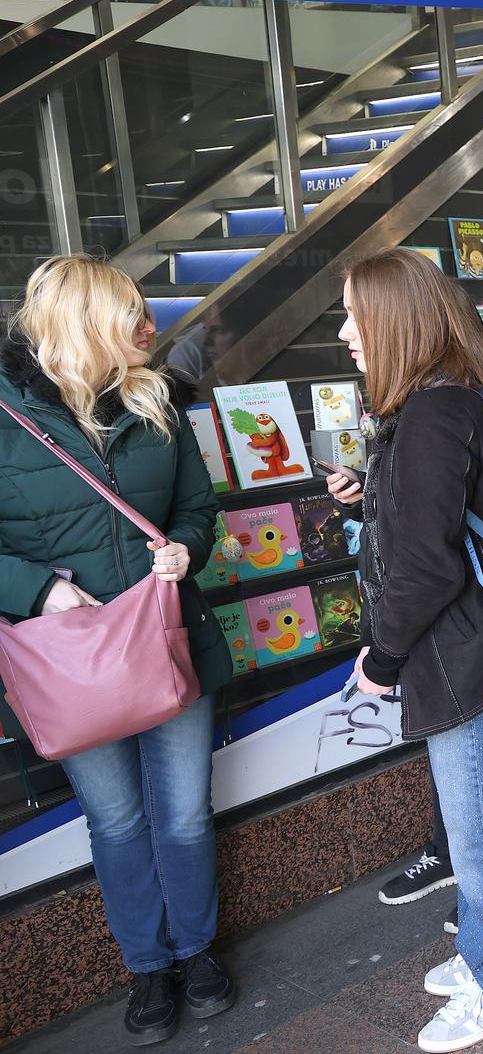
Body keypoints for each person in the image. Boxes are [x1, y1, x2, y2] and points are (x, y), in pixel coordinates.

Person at [0, 256, 234, 1048]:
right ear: (83, 325)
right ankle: (147, 965)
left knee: (185, 819)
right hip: (66, 660)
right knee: (118, 822)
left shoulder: (156, 396)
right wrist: (38, 590)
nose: (148, 328)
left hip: (167, 640)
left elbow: (198, 507)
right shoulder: (3, 411)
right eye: (130, 315)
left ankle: (197, 953)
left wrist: (186, 551)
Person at [340, 247, 483, 1050]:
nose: (345, 333)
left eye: (356, 317)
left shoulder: (434, 415)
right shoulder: (453, 400)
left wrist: (382, 659)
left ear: (395, 322)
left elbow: (427, 565)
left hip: (464, 653)